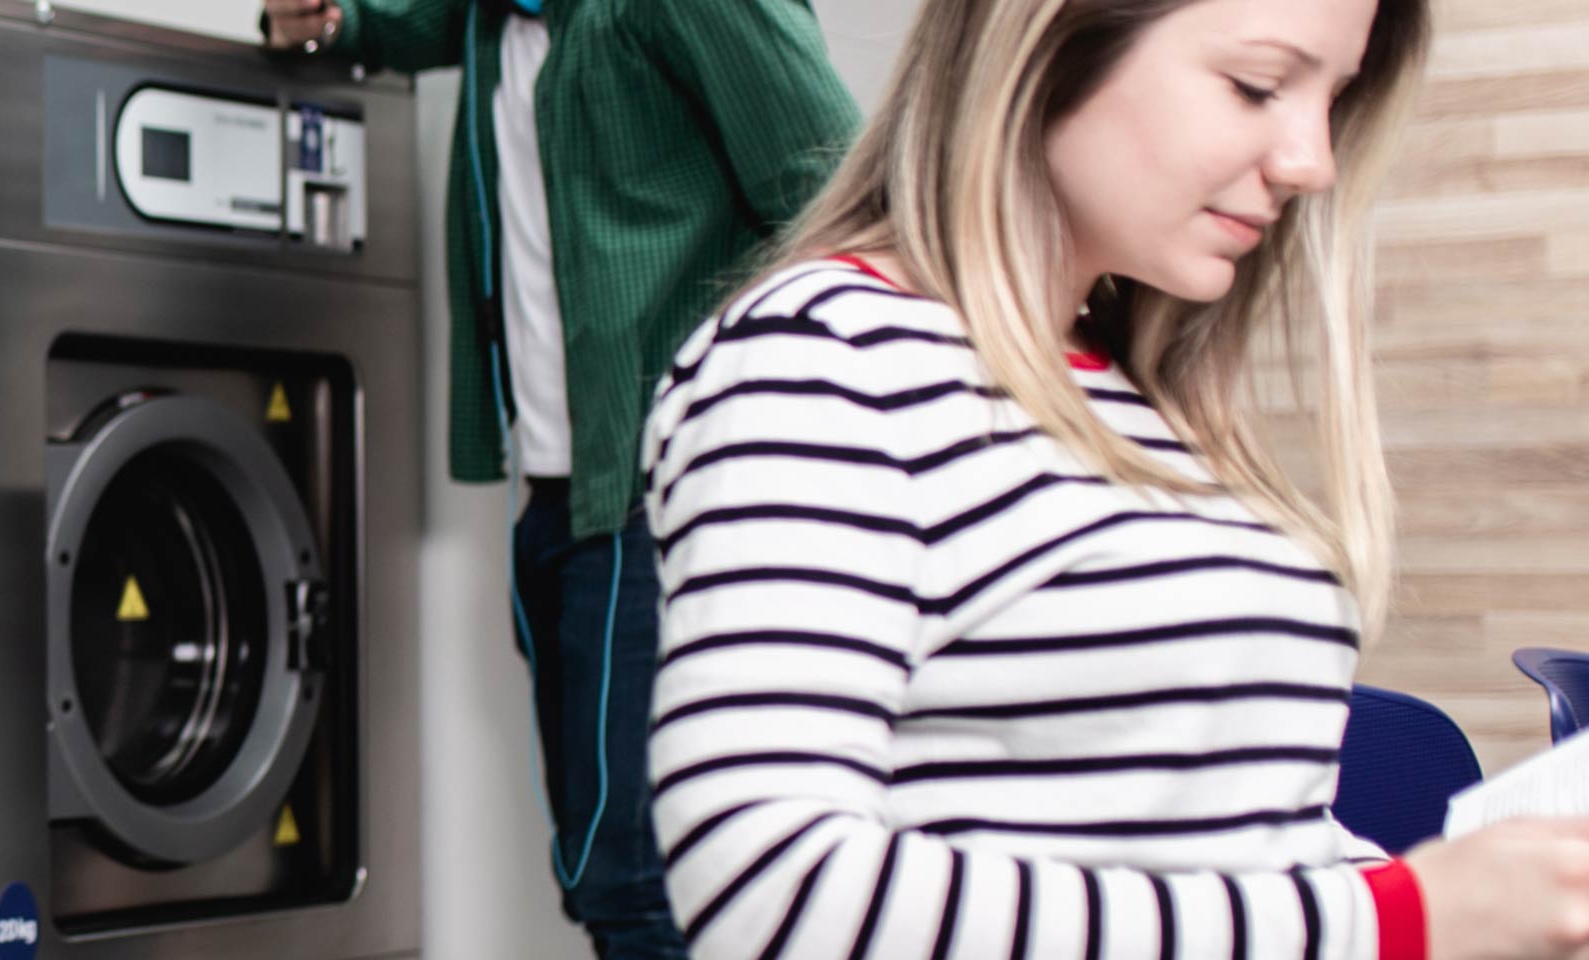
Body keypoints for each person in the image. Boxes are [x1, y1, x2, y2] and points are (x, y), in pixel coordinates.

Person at [642, 0, 1589, 952]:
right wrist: (1389, 920)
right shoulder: (826, 363)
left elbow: (1229, 837)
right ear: (1050, 40)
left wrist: (1469, 893)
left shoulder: (1144, 402)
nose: (1311, 161)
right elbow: (771, 891)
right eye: (1256, 86)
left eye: (1331, 99)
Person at [261, 0, 864, 953]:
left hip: (664, 495)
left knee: (634, 877)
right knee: (599, 873)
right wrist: (330, 23)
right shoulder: (489, 15)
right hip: (554, 495)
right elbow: (403, 23)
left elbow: (845, 201)